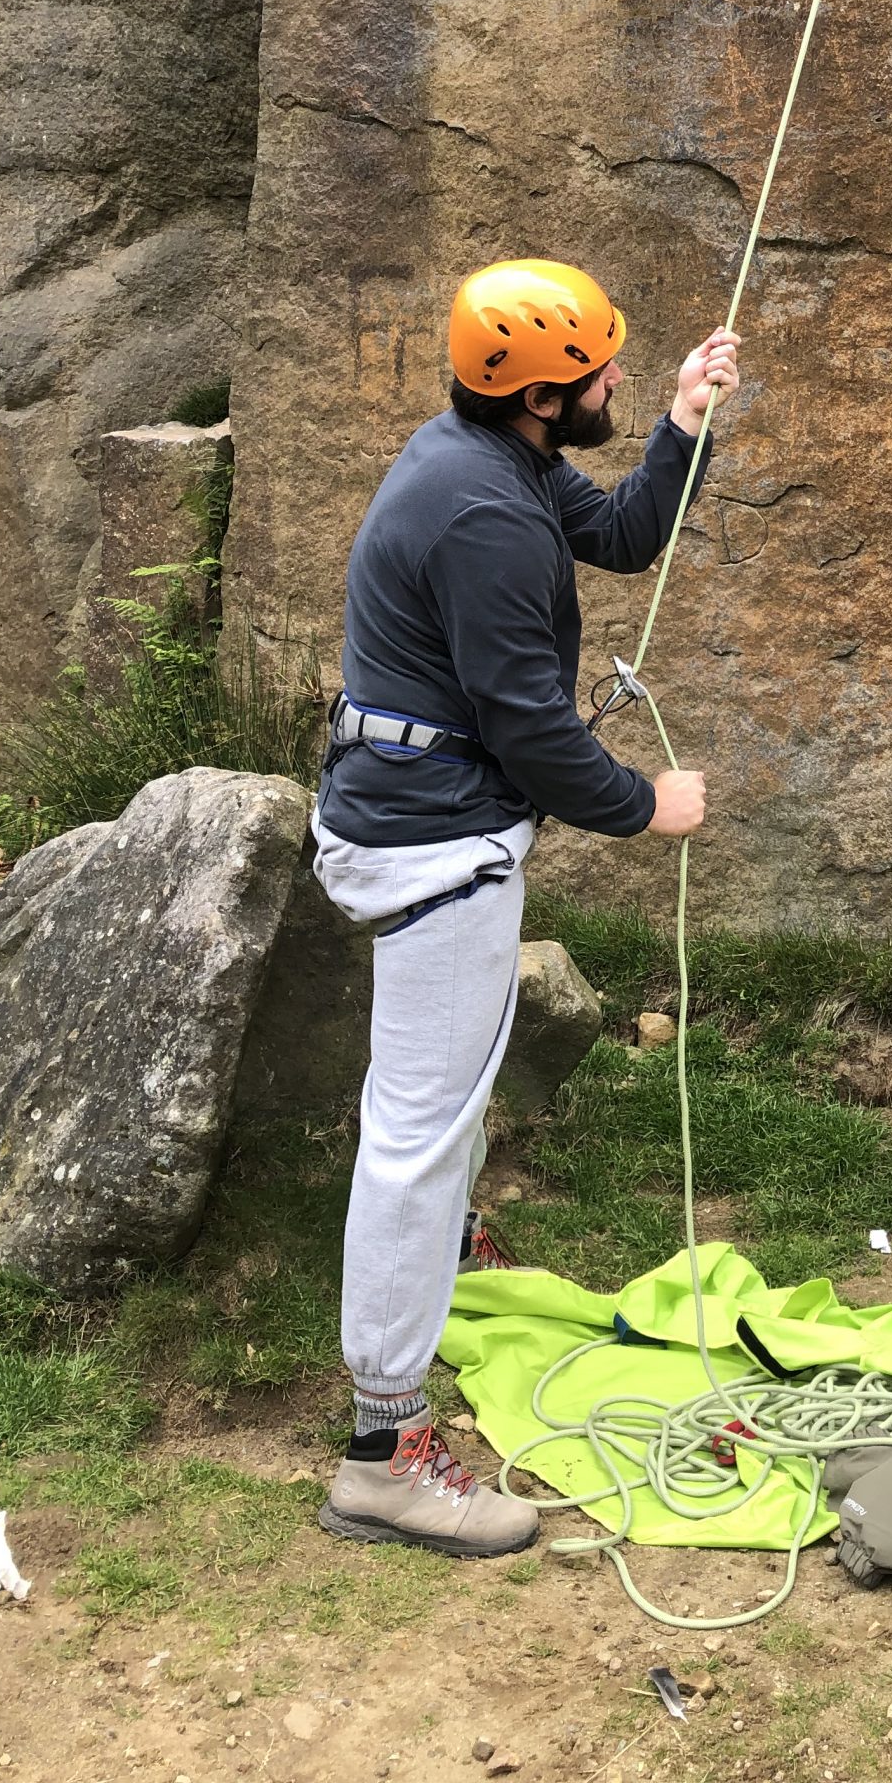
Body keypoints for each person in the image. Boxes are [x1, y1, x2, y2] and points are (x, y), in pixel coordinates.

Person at [310, 257, 740, 1556]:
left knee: (434, 1115)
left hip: (427, 824)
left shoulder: (486, 455)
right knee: (419, 1135)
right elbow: (530, 730)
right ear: (544, 395)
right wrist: (644, 805)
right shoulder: (484, 513)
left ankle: (437, 1268)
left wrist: (679, 422)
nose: (614, 374)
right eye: (604, 369)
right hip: (435, 849)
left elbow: (620, 535)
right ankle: (383, 1450)